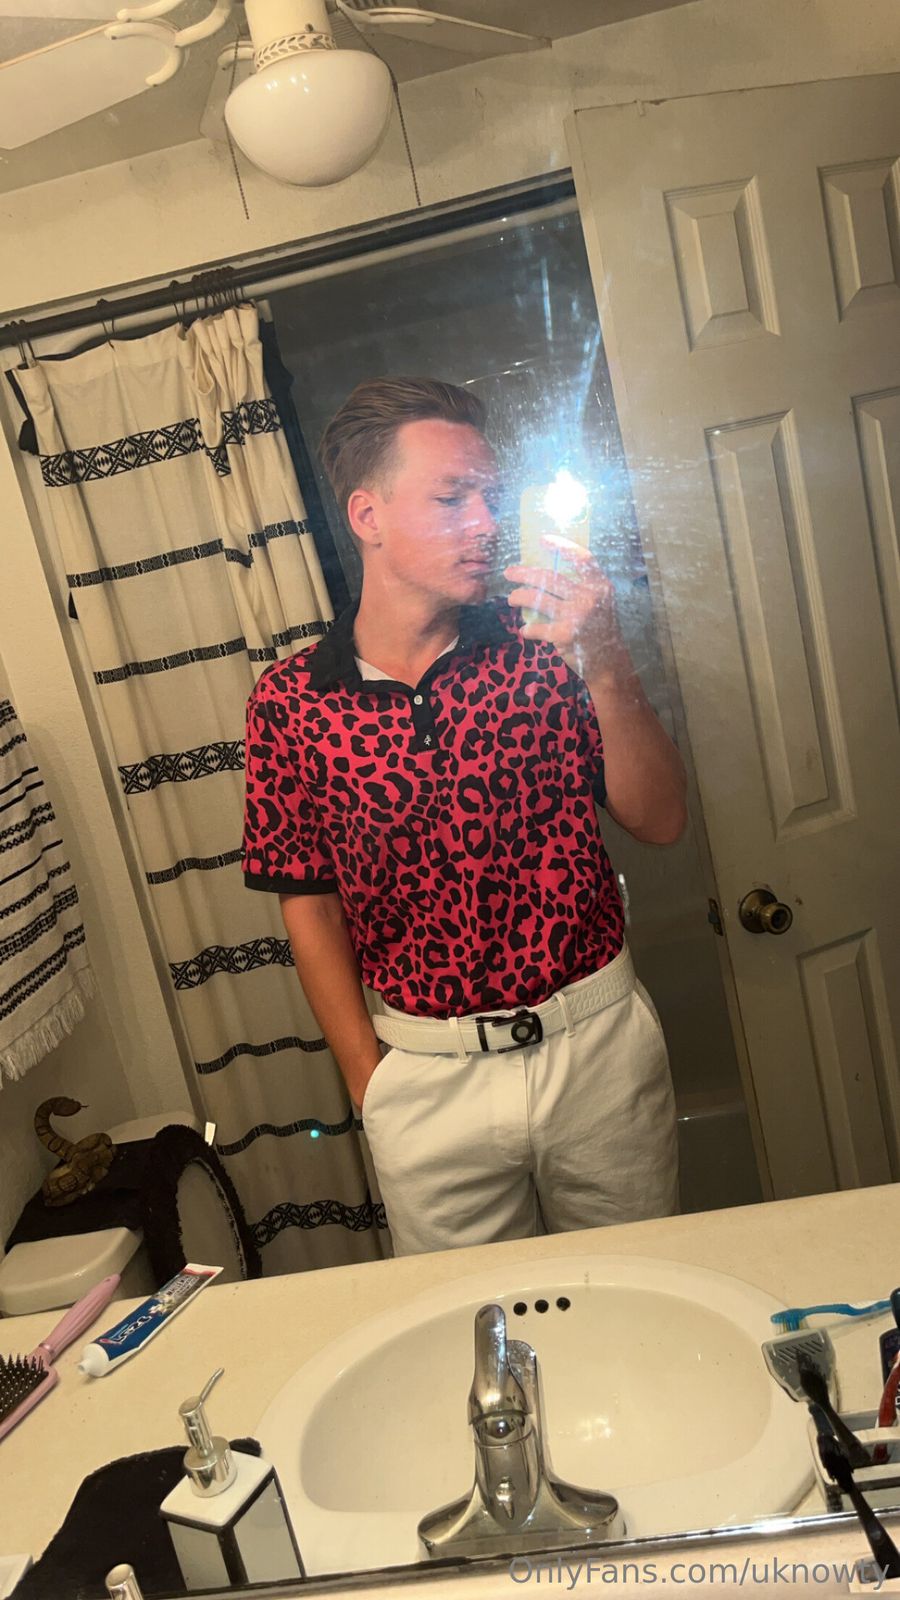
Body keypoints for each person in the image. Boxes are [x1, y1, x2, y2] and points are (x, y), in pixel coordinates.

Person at [242, 376, 687, 1256]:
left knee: (636, 1293)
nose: (486, 522)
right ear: (367, 514)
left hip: (596, 1050)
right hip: (426, 1079)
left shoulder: (543, 648)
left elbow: (662, 819)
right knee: (472, 1322)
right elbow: (310, 905)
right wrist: (369, 1082)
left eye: (490, 495)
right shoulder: (292, 703)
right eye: (453, 498)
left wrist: (604, 657)